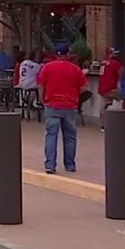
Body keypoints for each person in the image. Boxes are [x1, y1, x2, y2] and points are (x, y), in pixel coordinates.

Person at [37, 43, 86, 174]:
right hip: (70, 106)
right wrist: (73, 93)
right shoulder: (75, 69)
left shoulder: (47, 68)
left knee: (51, 135)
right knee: (70, 136)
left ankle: (50, 164)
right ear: (68, 54)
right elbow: (83, 87)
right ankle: (70, 165)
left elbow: (41, 85)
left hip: (52, 105)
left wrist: (42, 100)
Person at [97, 47, 123, 130]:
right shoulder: (115, 63)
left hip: (102, 88)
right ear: (110, 54)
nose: (115, 55)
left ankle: (103, 125)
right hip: (111, 89)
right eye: (114, 53)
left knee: (103, 106)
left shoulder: (103, 62)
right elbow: (122, 74)